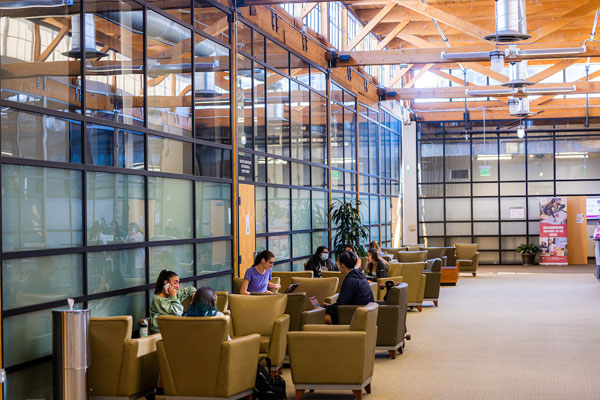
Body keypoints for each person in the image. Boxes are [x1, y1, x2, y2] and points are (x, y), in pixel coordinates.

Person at [324, 251, 374, 324]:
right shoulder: (360, 276)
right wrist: (331, 306)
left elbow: (340, 305)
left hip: (352, 316)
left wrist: (323, 309)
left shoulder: (350, 281)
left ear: (343, 265)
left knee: (318, 317)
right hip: (364, 314)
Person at [149, 270, 196, 334]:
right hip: (163, 333)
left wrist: (194, 294)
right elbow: (177, 313)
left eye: (178, 283)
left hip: (174, 329)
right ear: (166, 283)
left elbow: (190, 288)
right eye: (175, 283)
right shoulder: (157, 299)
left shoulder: (175, 292)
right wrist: (173, 296)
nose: (178, 286)